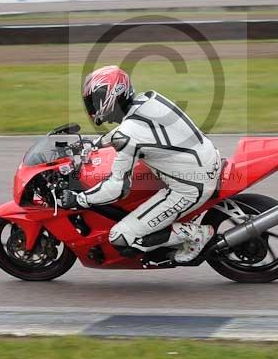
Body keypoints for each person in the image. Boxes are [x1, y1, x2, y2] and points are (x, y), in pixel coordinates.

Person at [59, 65, 221, 263]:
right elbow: (133, 130)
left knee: (121, 237)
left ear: (112, 94)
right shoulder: (148, 99)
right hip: (203, 160)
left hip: (190, 186)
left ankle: (194, 234)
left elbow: (117, 188)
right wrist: (95, 144)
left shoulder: (127, 134)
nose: (93, 106)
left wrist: (80, 199)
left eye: (96, 100)